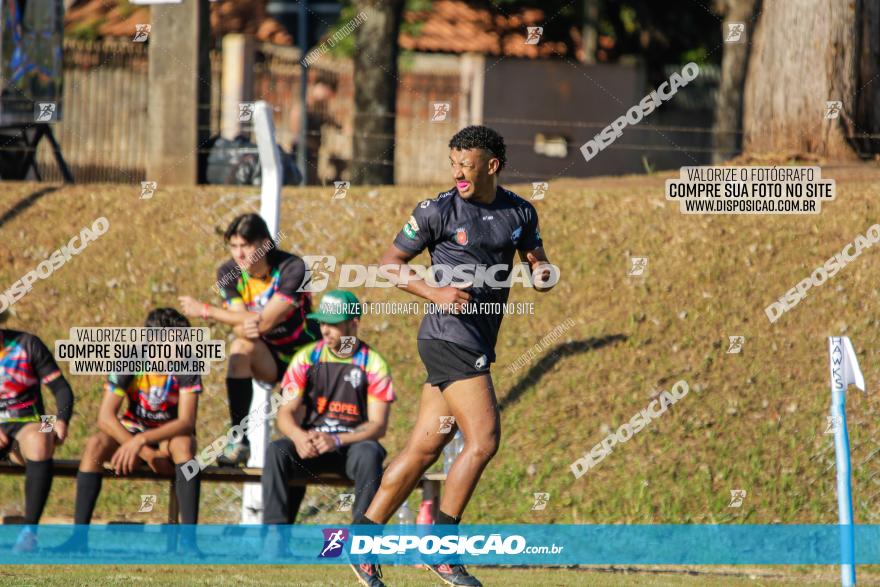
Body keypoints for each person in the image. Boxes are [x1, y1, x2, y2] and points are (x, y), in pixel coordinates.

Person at [350, 125, 556, 587]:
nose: (458, 173)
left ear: (491, 166)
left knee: (425, 447)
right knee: (483, 439)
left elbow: (536, 259)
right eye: (453, 164)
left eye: (467, 164)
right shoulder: (435, 210)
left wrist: (543, 273)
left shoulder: (519, 211)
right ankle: (441, 548)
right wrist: (434, 290)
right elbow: (388, 266)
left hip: (475, 340)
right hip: (448, 336)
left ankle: (361, 541)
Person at [179, 213, 320, 466]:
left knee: (305, 450)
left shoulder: (293, 268)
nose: (239, 254)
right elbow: (243, 327)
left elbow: (264, 322)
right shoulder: (228, 272)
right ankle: (239, 439)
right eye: (233, 247)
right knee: (241, 348)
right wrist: (246, 321)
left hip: (306, 361)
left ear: (265, 244)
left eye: (246, 246)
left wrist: (206, 310)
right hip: (269, 357)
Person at [61, 308, 202, 551]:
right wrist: (143, 450)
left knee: (185, 445)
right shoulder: (130, 359)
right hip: (133, 430)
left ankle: (189, 541)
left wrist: (142, 442)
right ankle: (78, 538)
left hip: (167, 433)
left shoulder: (188, 363)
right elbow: (105, 418)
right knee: (95, 445)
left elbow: (186, 422)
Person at [262, 290, 394, 543]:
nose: (325, 329)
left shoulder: (373, 363)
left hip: (350, 448)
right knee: (277, 450)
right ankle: (274, 538)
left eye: (333, 324)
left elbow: (378, 425)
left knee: (370, 452)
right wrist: (299, 436)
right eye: (322, 322)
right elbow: (285, 413)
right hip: (310, 447)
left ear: (353, 324)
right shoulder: (306, 358)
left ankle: (362, 541)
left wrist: (336, 441)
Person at [0, 308, 75, 552]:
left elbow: (62, 389)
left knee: (43, 435)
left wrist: (61, 420)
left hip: (30, 420)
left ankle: (28, 534)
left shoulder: (27, 344)